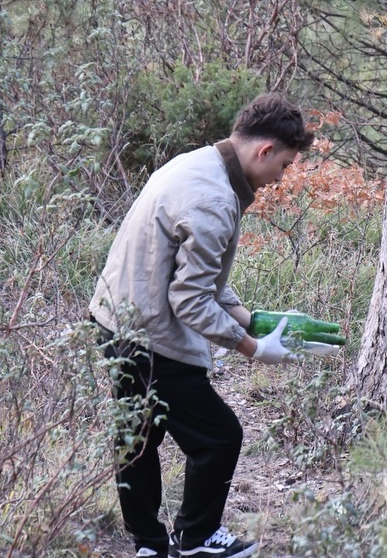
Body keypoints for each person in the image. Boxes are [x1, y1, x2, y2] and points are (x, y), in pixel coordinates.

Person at [89, 93, 316, 558]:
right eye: (286, 165)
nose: (281, 178)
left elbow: (197, 276)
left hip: (115, 320)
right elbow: (190, 299)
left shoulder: (197, 164)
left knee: (138, 437)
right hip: (150, 337)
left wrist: (251, 318)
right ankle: (197, 540)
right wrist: (253, 347)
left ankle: (149, 546)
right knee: (218, 437)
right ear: (265, 151)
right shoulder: (213, 199)